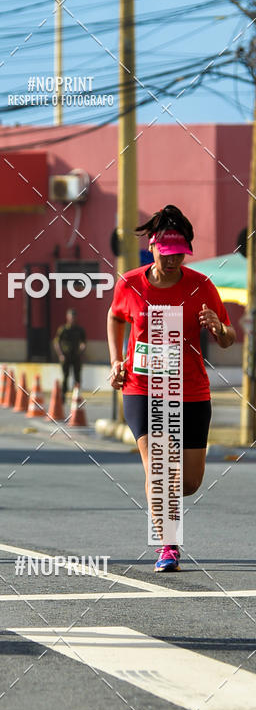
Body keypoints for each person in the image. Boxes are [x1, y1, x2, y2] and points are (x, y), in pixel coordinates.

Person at [107, 204, 235, 572]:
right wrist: (117, 361)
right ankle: (168, 545)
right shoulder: (130, 283)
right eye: (167, 254)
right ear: (153, 249)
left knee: (190, 481)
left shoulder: (202, 286)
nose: (174, 260)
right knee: (160, 469)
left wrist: (217, 326)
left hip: (190, 390)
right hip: (142, 388)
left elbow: (228, 338)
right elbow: (115, 317)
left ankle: (164, 505)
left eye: (181, 253)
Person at [54, 307, 86, 397]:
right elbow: (56, 342)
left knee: (77, 377)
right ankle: (63, 396)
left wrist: (82, 351)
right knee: (65, 376)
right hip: (66, 356)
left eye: (74, 317)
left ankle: (77, 396)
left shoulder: (79, 330)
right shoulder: (63, 329)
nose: (72, 319)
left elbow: (83, 342)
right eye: (71, 317)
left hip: (76, 356)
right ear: (67, 317)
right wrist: (60, 355)